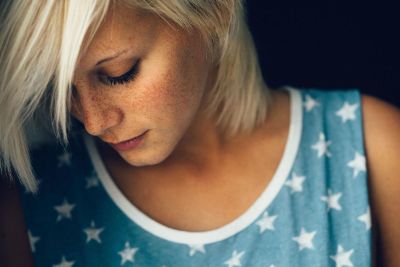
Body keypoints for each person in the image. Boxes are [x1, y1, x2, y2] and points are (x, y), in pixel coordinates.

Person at [0, 0, 399, 266]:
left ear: (214, 13)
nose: (93, 122)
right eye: (62, 90)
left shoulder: (371, 147)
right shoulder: (29, 212)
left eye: (119, 74)